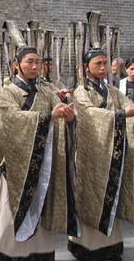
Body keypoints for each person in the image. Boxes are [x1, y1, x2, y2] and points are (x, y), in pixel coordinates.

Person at [0, 46, 79, 261]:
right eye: (29, 61)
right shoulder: (8, 91)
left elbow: (60, 111)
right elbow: (10, 120)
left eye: (37, 62)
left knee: (39, 208)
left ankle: (40, 252)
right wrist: (49, 116)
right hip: (15, 163)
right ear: (15, 64)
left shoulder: (46, 90)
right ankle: (9, 252)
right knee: (11, 213)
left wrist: (68, 116)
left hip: (42, 162)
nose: (34, 66)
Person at [68, 48, 134, 261]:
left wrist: (127, 110)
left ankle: (111, 244)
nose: (103, 68)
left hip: (111, 154)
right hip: (90, 155)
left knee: (110, 195)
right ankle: (87, 245)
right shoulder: (80, 91)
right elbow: (89, 114)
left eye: (105, 63)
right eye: (98, 63)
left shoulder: (113, 91)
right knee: (90, 197)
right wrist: (121, 114)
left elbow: (128, 105)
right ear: (86, 67)